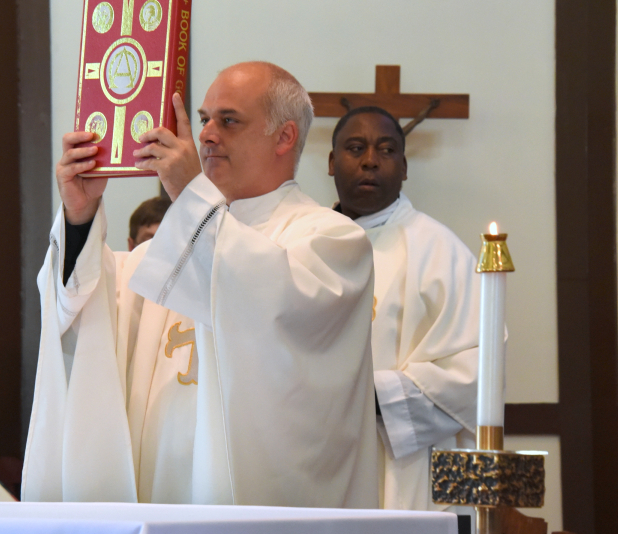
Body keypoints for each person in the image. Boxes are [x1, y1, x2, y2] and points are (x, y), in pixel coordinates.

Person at [22, 62, 378, 508]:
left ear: (284, 137)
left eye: (228, 121)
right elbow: (88, 312)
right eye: (204, 118)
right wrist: (80, 218)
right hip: (159, 502)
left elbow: (274, 306)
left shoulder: (331, 241)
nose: (206, 135)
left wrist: (191, 194)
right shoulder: (167, 250)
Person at [328, 106, 480, 511]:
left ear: (405, 166)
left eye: (387, 149)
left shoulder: (439, 250)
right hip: (319, 454)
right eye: (355, 147)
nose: (370, 160)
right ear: (330, 162)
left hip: (408, 470)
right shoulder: (304, 244)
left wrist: (375, 397)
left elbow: (475, 372)